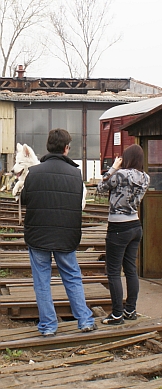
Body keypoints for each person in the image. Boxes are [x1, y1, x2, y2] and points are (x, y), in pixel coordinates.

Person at [21, 129, 96, 336]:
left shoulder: (34, 172)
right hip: (66, 236)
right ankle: (85, 321)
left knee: (42, 281)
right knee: (72, 276)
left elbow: (25, 199)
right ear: (66, 148)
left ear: (48, 147)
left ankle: (48, 326)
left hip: (38, 236)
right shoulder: (75, 174)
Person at [97, 144, 150, 325]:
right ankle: (130, 310)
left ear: (126, 159)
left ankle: (117, 314)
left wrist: (113, 168)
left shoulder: (120, 175)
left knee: (113, 272)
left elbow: (100, 187)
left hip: (118, 227)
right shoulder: (145, 178)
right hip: (135, 225)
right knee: (130, 270)